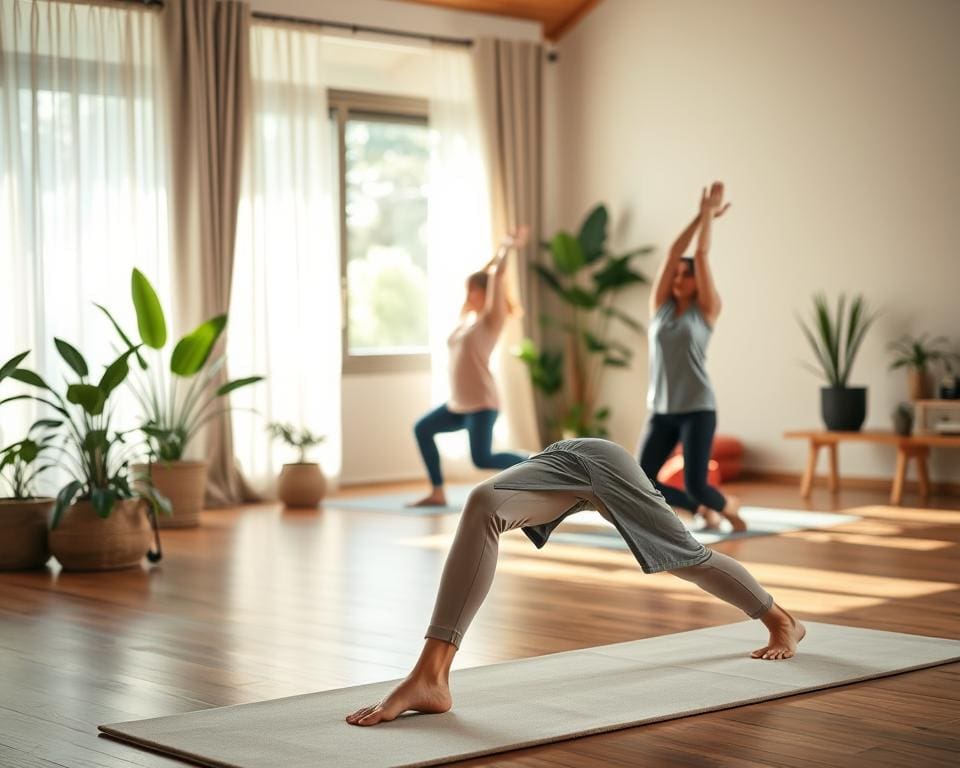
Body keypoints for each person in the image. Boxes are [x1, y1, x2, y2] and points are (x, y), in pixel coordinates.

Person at [346, 438, 805, 726]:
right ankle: (431, 677)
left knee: (686, 558)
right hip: (569, 459)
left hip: (604, 463)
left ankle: (782, 620)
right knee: (484, 504)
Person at [639, 181, 745, 531]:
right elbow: (674, 254)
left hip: (697, 409)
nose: (679, 279)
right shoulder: (660, 309)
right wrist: (697, 217)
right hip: (661, 410)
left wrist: (708, 217)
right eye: (677, 275)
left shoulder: (707, 312)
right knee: (642, 482)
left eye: (687, 276)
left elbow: (699, 255)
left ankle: (725, 504)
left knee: (696, 484)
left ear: (698, 281)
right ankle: (703, 511)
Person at [408, 228, 529, 507]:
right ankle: (437, 492)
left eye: (473, 289)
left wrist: (506, 248)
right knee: (422, 429)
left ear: (484, 294)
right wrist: (490, 260)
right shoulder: (467, 321)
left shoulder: (490, 321)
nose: (468, 294)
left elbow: (496, 276)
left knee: (482, 459)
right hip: (458, 405)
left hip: (482, 404)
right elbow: (485, 274)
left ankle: (534, 462)